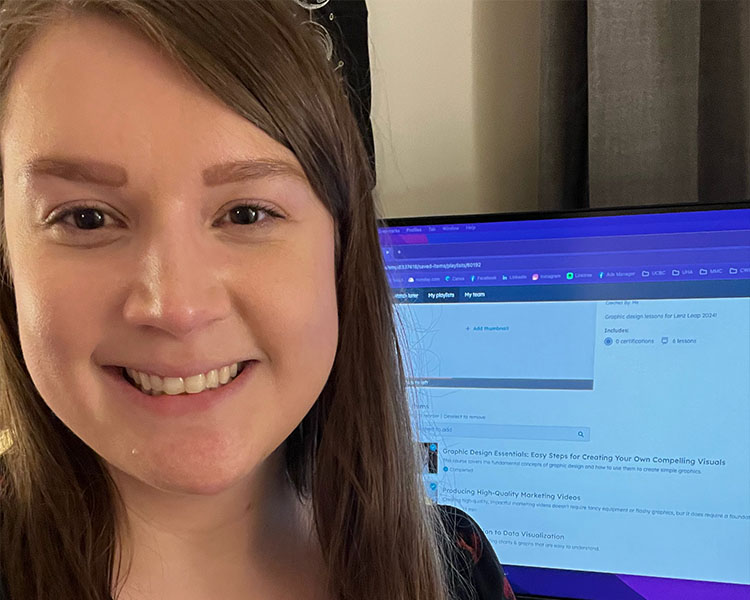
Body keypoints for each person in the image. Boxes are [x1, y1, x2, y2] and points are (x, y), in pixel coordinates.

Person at [0, 1, 517, 599]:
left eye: (246, 213)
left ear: (341, 249)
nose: (177, 306)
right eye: (86, 218)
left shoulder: (455, 565)